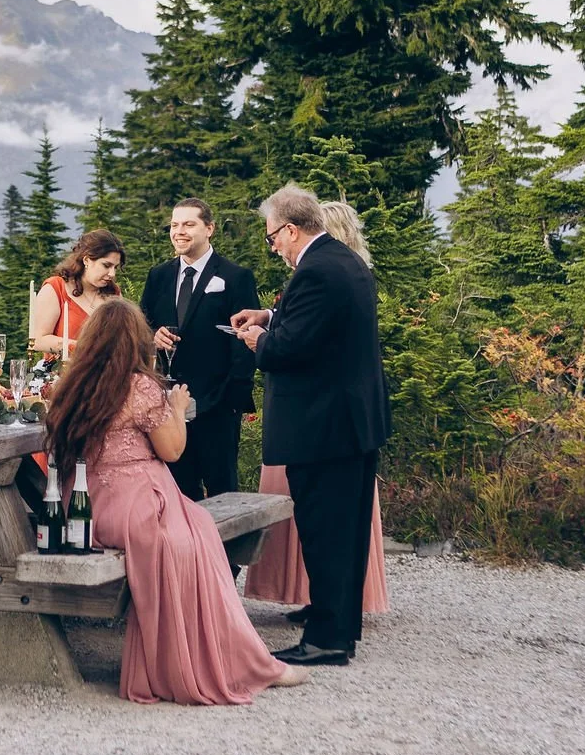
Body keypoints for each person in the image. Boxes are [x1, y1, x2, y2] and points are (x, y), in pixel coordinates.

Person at [45, 299, 306, 705]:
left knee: (195, 530)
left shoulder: (70, 384)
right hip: (136, 502)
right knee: (198, 535)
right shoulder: (140, 386)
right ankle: (225, 658)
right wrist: (177, 408)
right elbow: (172, 452)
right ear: (137, 341)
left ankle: (206, 651)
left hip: (85, 507)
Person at [232, 183, 391, 668]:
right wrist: (272, 313)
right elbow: (319, 325)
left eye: (273, 236)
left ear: (292, 229)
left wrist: (260, 337)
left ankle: (326, 641)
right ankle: (341, 630)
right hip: (351, 424)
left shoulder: (314, 272)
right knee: (345, 533)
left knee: (325, 534)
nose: (273, 245)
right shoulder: (343, 261)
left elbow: (290, 350)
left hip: (324, 429)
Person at [139, 199, 260, 501]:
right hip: (168, 404)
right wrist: (154, 335)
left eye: (188, 224)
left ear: (209, 228)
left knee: (224, 494)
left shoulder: (235, 277)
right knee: (178, 493)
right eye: (175, 225)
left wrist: (229, 401)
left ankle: (226, 550)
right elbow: (141, 326)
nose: (178, 231)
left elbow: (246, 345)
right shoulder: (159, 276)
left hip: (217, 406)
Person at [31, 229, 123, 359]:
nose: (112, 274)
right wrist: (82, 347)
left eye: (115, 267)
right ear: (86, 260)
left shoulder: (114, 293)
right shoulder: (56, 288)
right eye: (106, 265)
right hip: (62, 375)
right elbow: (38, 341)